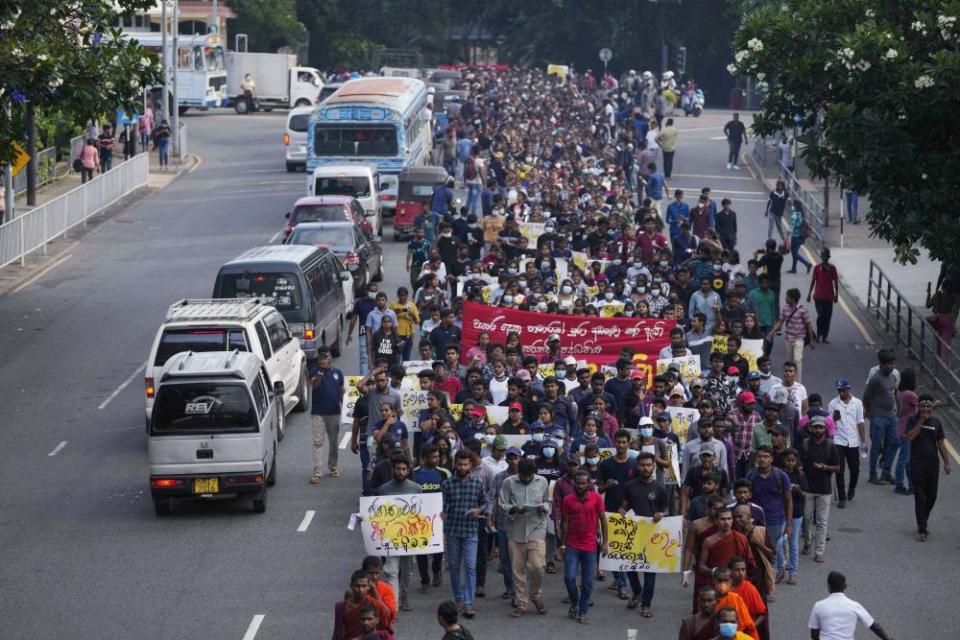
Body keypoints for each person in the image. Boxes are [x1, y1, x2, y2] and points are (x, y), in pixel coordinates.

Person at [499, 457, 550, 618]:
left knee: (537, 567)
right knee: (518, 569)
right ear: (518, 472)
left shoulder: (542, 481)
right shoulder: (508, 482)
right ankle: (521, 602)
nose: (527, 479)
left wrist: (544, 508)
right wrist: (514, 509)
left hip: (536, 528)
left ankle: (535, 594)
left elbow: (546, 501)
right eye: (524, 476)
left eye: (530, 476)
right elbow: (502, 504)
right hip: (515, 530)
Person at [619, 452, 667, 617]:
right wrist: (621, 511)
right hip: (633, 535)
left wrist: (662, 514)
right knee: (630, 567)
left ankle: (646, 604)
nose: (645, 468)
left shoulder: (660, 488)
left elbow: (666, 510)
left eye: (648, 465)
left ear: (653, 466)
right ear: (637, 467)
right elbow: (624, 506)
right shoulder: (629, 486)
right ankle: (637, 591)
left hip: (653, 536)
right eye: (642, 465)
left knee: (649, 571)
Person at [441, 450, 486, 618]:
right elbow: (442, 505)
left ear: (471, 465)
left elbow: (485, 502)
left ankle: (468, 603)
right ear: (455, 464)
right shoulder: (447, 484)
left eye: (465, 464)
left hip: (471, 531)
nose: (462, 467)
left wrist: (479, 509)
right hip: (452, 530)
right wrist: (441, 514)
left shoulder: (478, 483)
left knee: (470, 567)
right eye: (459, 464)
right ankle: (458, 598)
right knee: (453, 567)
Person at [559, 469, 608, 624]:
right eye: (577, 483)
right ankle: (574, 601)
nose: (580, 486)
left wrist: (605, 543)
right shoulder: (567, 500)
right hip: (572, 545)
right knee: (569, 578)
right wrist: (562, 545)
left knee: (587, 583)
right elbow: (565, 522)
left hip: (589, 546)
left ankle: (582, 611)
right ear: (573, 483)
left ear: (588, 484)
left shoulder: (596, 498)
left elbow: (603, 520)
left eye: (583, 483)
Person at [378, 456, 422, 611]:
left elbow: (422, 513)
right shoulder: (384, 489)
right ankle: (393, 605)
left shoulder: (416, 488)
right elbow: (379, 513)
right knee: (391, 571)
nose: (401, 472)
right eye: (398, 469)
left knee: (406, 570)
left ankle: (404, 596)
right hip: (391, 538)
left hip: (409, 538)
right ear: (393, 470)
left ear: (408, 471)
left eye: (404, 469)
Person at [905, 395, 952, 541]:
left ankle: (923, 519)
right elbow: (910, 437)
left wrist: (946, 462)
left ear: (932, 407)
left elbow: (941, 444)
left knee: (932, 496)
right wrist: (921, 421)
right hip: (917, 464)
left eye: (928, 406)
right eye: (923, 406)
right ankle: (922, 529)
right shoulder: (912, 420)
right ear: (918, 407)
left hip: (933, 464)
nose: (925, 409)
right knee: (920, 496)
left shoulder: (937, 423)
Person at [798, 416, 840, 562]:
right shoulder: (805, 444)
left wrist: (826, 467)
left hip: (824, 489)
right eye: (815, 427)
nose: (818, 430)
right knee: (807, 518)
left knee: (822, 521)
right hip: (808, 488)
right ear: (811, 428)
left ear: (825, 429)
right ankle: (808, 542)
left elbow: (838, 468)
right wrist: (801, 470)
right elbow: (799, 462)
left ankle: (819, 550)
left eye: (820, 427)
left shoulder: (830, 446)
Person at [808, 571, 894, 640]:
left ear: (829, 586)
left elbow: (814, 635)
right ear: (845, 586)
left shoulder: (818, 606)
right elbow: (875, 626)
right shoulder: (854, 606)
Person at [414, 444, 450, 591]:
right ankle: (425, 580)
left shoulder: (444, 473)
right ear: (424, 458)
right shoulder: (414, 473)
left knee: (437, 549)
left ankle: (436, 570)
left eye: (438, 456)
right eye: (434, 457)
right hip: (418, 519)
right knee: (421, 550)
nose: (437, 459)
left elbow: (450, 494)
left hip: (438, 519)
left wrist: (447, 511)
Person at [309, 347, 345, 484]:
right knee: (318, 442)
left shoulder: (338, 372)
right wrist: (321, 372)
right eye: (322, 358)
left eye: (327, 357)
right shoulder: (314, 371)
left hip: (334, 412)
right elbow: (315, 385)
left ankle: (333, 466)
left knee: (334, 442)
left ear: (330, 357)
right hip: (318, 413)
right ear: (319, 359)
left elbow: (341, 392)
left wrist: (347, 411)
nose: (324, 360)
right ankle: (318, 472)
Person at [863, 349, 899, 485]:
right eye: (890, 364)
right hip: (878, 417)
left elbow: (894, 394)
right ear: (882, 364)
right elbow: (866, 398)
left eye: (893, 363)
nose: (893, 366)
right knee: (877, 446)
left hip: (892, 417)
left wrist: (898, 412)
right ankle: (873, 475)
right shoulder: (876, 379)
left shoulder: (892, 377)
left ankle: (886, 472)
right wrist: (870, 414)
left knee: (895, 442)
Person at [827, 378, 865, 507]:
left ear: (849, 389)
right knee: (839, 469)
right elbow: (831, 423)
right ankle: (842, 498)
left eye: (843, 390)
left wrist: (863, 440)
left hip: (853, 441)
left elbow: (860, 422)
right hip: (839, 439)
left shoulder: (858, 403)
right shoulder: (833, 404)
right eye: (839, 390)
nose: (841, 393)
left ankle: (852, 488)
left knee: (855, 469)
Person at [764, 288, 815, 383]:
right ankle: (791, 380)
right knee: (791, 361)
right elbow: (780, 322)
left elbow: (809, 324)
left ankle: (798, 383)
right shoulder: (785, 308)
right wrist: (771, 333)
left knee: (797, 360)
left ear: (793, 298)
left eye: (787, 297)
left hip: (799, 338)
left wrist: (811, 340)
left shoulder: (802, 310)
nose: (785, 298)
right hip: (788, 338)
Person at [331, 571, 393, 640]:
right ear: (351, 586)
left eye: (364, 586)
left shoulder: (375, 604)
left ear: (369, 587)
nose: (361, 590)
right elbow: (337, 632)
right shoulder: (341, 606)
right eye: (357, 586)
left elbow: (386, 625)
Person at [729, 556, 768, 640]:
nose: (741, 573)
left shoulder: (749, 588)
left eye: (743, 570)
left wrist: (751, 626)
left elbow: (762, 614)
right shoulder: (724, 590)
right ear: (730, 572)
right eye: (737, 570)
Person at [807, 248, 839, 343]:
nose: (824, 257)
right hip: (818, 297)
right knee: (821, 316)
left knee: (827, 317)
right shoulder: (817, 268)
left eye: (825, 256)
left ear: (828, 257)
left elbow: (836, 282)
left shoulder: (832, 268)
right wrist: (809, 294)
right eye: (823, 256)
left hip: (829, 297)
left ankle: (824, 336)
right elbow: (813, 281)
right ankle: (819, 334)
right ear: (821, 257)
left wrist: (836, 295)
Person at [787, 200, 813, 273]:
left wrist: (787, 234)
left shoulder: (795, 214)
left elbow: (792, 225)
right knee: (795, 252)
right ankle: (794, 268)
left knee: (794, 253)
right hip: (801, 236)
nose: (792, 206)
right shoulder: (801, 213)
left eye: (793, 205)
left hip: (795, 235)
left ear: (795, 205)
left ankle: (807, 264)